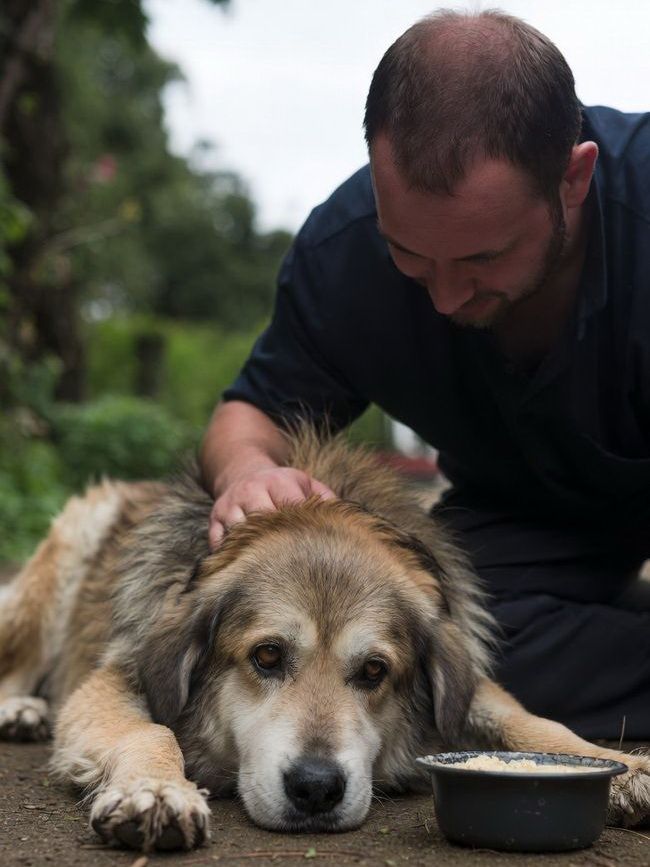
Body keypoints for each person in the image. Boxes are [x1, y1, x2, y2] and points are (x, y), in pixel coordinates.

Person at [200, 9, 650, 740]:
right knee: (449, 658)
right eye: (409, 254)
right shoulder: (344, 252)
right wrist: (247, 472)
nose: (444, 297)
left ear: (573, 178)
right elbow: (249, 412)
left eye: (482, 258)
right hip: (521, 527)